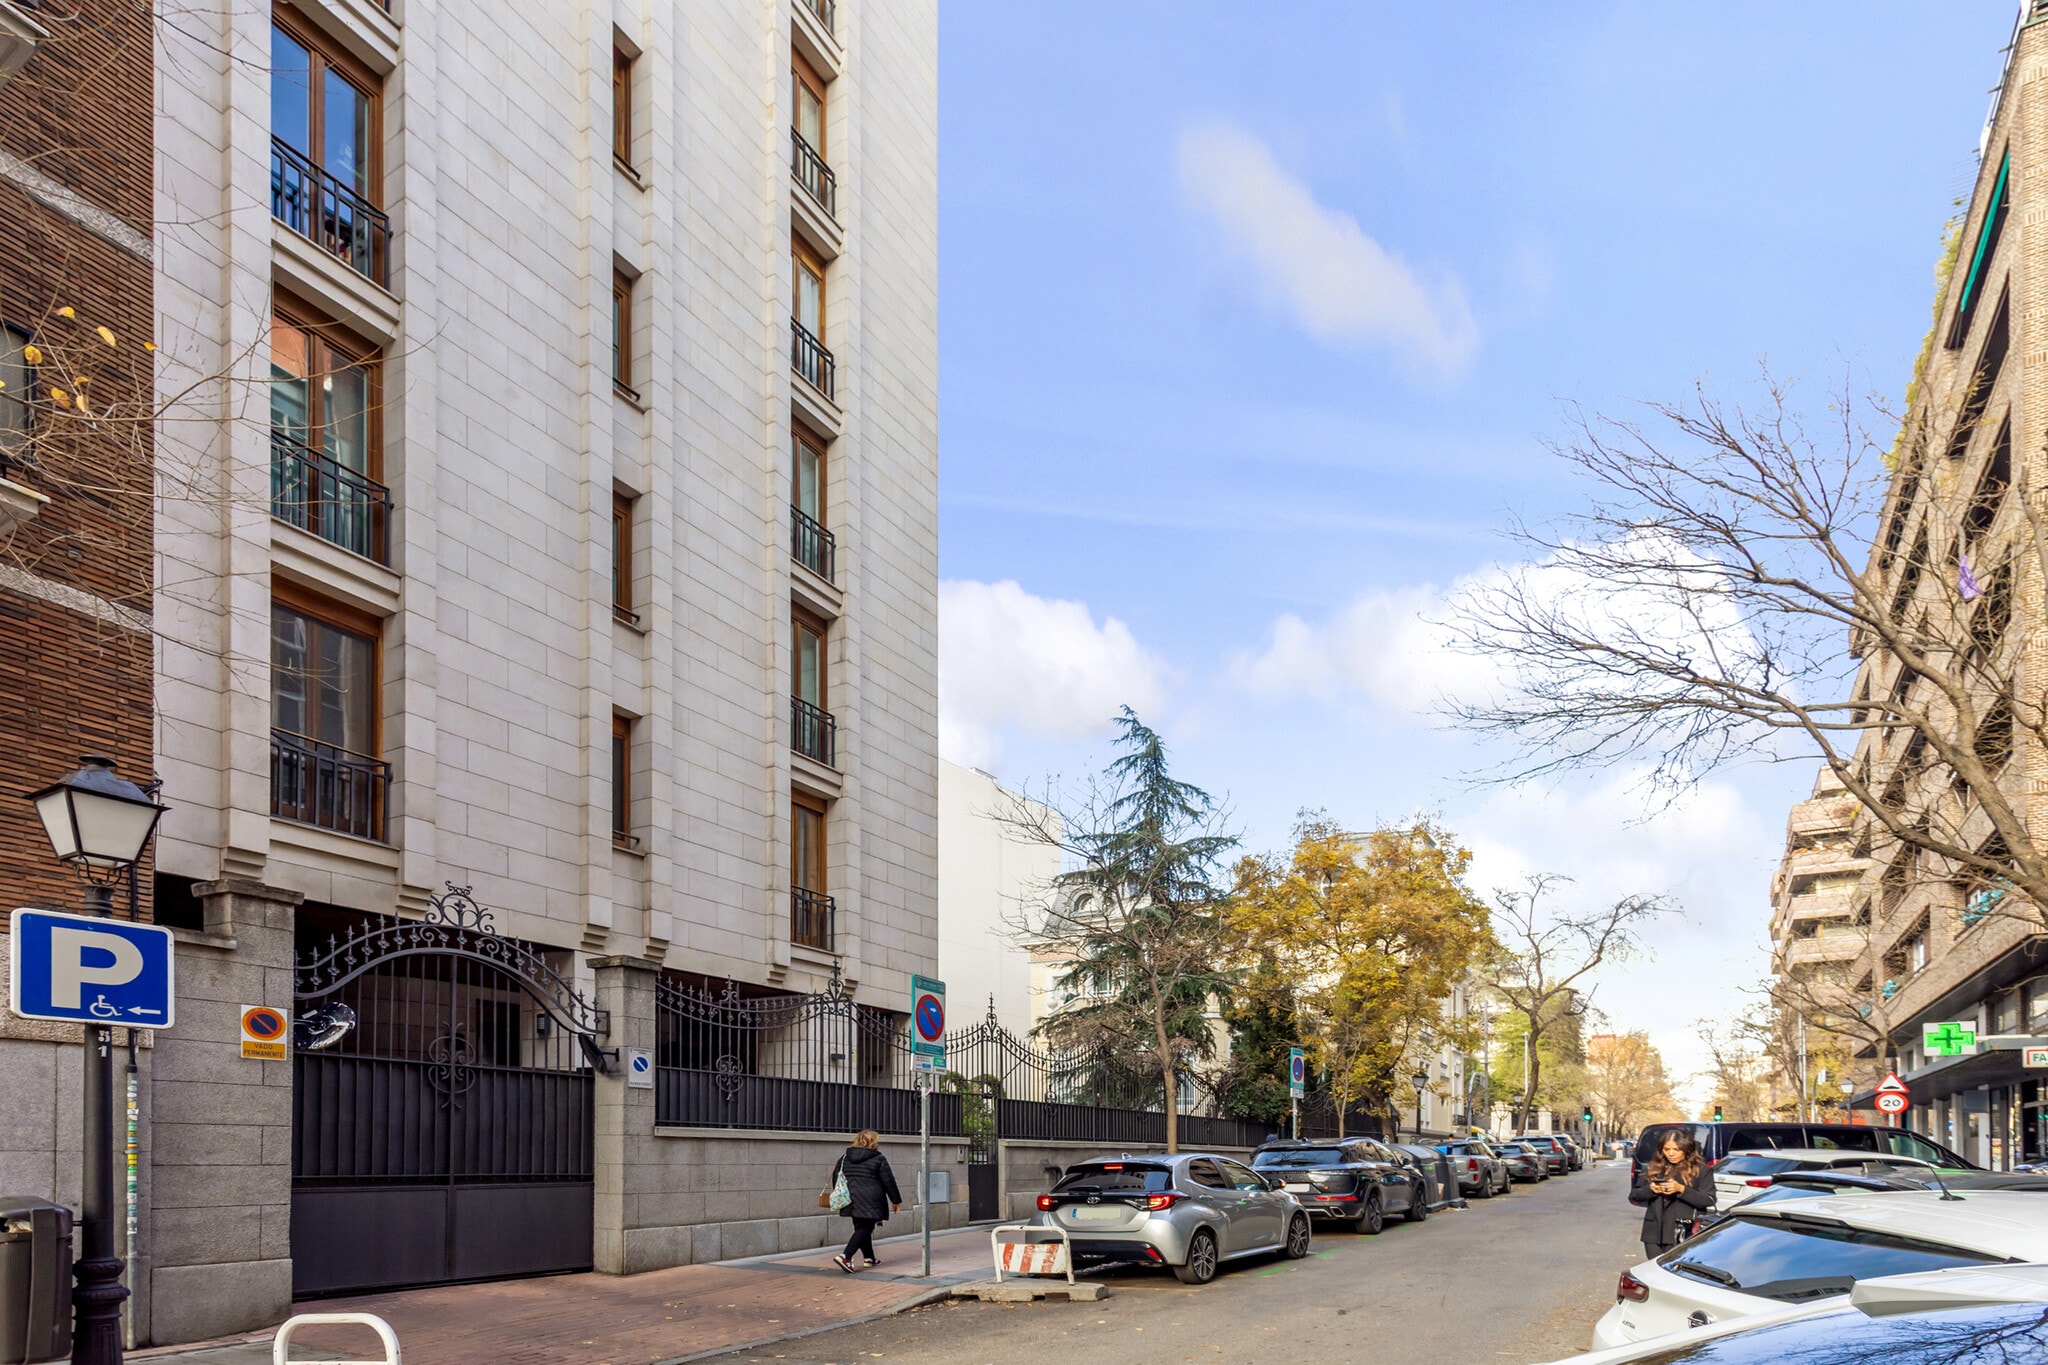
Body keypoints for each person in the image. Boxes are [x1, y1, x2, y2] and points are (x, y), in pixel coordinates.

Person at [1630, 1128, 1714, 1261]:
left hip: (1682, 1230)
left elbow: (1708, 1199)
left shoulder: (1701, 1170)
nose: (1671, 1154)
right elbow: (1634, 1195)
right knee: (1655, 1271)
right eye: (1667, 1149)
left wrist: (1681, 1189)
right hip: (1653, 1232)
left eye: (1676, 1149)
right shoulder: (1653, 1168)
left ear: (1686, 1149)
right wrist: (1651, 1189)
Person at [828, 1129, 901, 1272]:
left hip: (851, 1198)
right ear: (873, 1142)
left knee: (861, 1228)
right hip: (871, 1198)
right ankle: (845, 1256)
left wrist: (842, 1194)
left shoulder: (844, 1158)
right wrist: (896, 1201)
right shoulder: (879, 1158)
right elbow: (889, 1182)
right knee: (865, 1228)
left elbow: (836, 1178)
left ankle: (869, 1258)